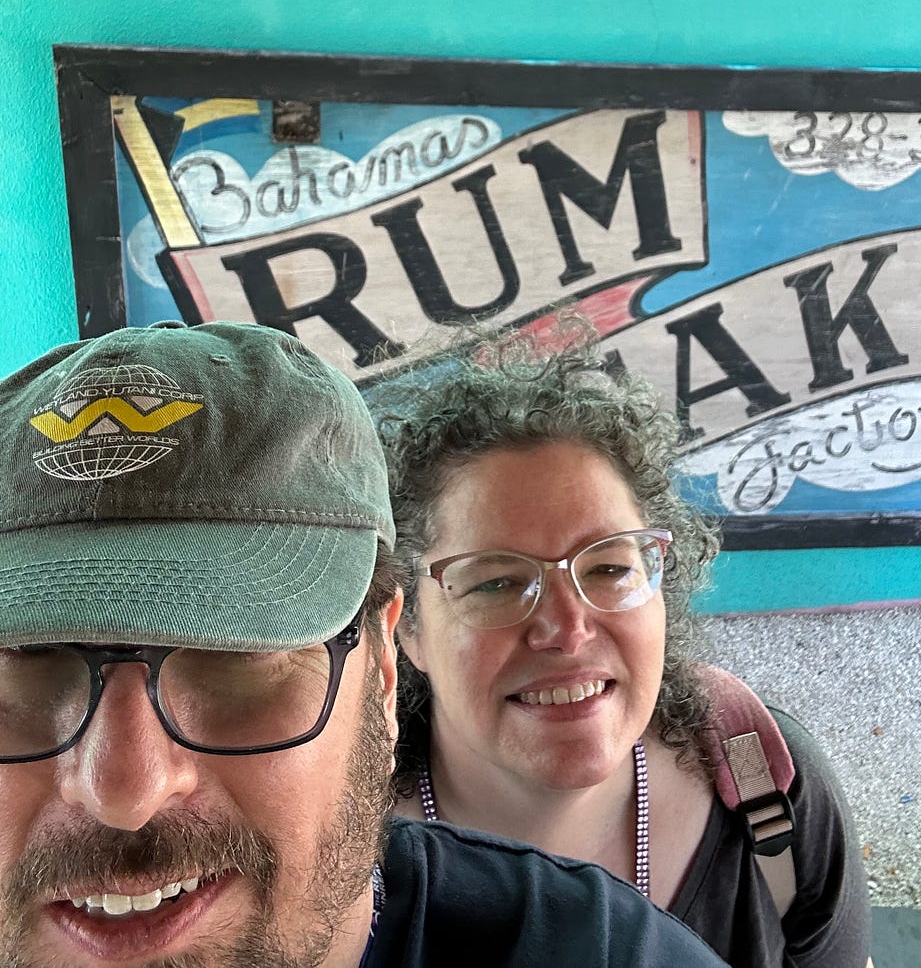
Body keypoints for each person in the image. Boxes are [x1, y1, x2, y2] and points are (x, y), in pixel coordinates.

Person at [0, 320, 728, 968]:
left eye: (240, 653)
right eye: (23, 662)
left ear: (380, 670)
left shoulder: (597, 949)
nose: (122, 790)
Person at [374, 331, 874, 968]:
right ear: (406, 627)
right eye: (495, 581)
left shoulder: (764, 784)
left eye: (610, 567)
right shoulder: (337, 855)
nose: (568, 628)